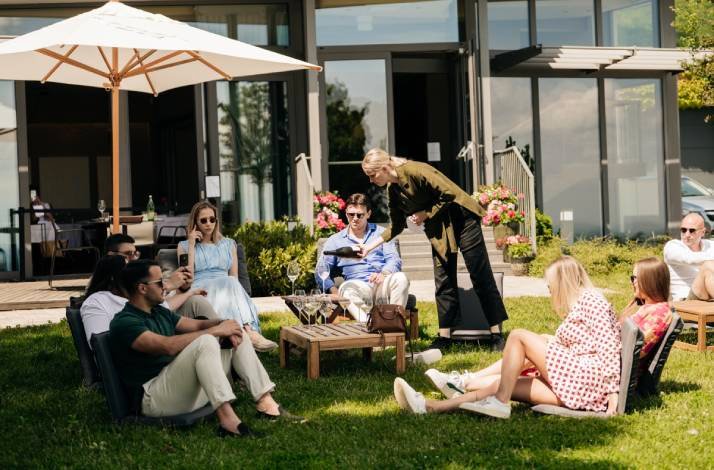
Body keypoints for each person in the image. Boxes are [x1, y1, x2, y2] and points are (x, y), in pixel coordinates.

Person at [393, 256, 621, 418]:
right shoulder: (580, 304)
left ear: (563, 281)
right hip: (575, 388)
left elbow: (608, 344)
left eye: (551, 284)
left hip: (587, 382)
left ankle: (499, 402)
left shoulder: (592, 300)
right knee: (499, 384)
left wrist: (613, 391)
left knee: (519, 336)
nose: (549, 289)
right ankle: (430, 406)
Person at [108, 260, 301, 437]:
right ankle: (228, 421)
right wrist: (216, 331)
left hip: (182, 390)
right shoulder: (125, 322)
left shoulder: (158, 311)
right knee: (206, 341)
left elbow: (198, 325)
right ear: (142, 288)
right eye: (159, 282)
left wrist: (226, 323)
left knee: (236, 332)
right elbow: (167, 346)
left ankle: (266, 403)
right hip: (154, 399)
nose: (165, 286)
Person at [359, 148, 508, 350]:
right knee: (443, 279)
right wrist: (369, 247)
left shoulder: (416, 170)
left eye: (372, 175)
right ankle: (445, 336)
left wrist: (425, 213)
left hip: (462, 218)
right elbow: (396, 225)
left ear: (385, 168)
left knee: (479, 274)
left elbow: (449, 192)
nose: (370, 180)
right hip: (439, 226)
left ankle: (496, 335)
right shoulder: (393, 191)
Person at [177, 201, 276, 352]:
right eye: (203, 220)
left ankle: (248, 331)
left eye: (212, 219)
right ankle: (248, 332)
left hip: (228, 288)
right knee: (229, 282)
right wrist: (191, 245)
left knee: (231, 281)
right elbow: (186, 280)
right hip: (200, 289)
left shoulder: (229, 244)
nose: (208, 224)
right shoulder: (183, 246)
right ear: (195, 222)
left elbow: (234, 277)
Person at [80, 255, 218, 345]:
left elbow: (166, 309)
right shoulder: (98, 302)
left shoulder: (144, 302)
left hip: (161, 339)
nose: (135, 263)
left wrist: (223, 325)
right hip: (143, 354)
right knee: (205, 344)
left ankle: (224, 344)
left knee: (197, 303)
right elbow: (99, 345)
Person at [316, 193, 410, 321]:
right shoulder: (335, 240)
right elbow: (321, 269)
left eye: (359, 215)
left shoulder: (381, 234)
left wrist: (383, 274)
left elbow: (394, 259)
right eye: (351, 214)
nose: (355, 218)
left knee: (401, 278)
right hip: (357, 287)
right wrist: (334, 292)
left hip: (381, 285)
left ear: (368, 214)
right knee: (346, 289)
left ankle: (392, 326)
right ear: (346, 214)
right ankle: (369, 327)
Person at [620, 257, 672, 359]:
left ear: (649, 281)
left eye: (634, 278)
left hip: (613, 364)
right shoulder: (649, 308)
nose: (632, 282)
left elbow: (636, 352)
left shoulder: (660, 314)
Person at [663, 213, 714, 300]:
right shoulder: (672, 246)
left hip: (707, 294)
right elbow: (690, 259)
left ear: (703, 232)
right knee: (707, 266)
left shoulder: (710, 245)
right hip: (686, 299)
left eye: (692, 230)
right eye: (683, 230)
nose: (687, 235)